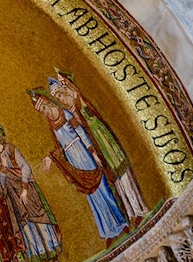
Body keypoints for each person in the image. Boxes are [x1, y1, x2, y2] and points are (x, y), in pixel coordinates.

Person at [30, 90, 128, 243]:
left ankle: (121, 223)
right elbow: (59, 147)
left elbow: (82, 134)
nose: (44, 112)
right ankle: (108, 232)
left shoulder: (65, 114)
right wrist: (50, 158)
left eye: (44, 108)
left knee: (102, 187)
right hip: (73, 159)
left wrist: (93, 153)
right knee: (91, 196)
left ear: (48, 103)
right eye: (41, 111)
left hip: (84, 153)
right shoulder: (52, 125)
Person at [49, 72, 148, 221]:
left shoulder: (79, 103)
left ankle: (138, 208)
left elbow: (89, 119)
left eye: (61, 95)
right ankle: (130, 212)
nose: (61, 99)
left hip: (101, 138)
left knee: (121, 170)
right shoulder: (70, 112)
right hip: (96, 145)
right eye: (58, 98)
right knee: (113, 175)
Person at [0, 127, 66, 262]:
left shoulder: (10, 149)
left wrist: (24, 189)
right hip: (13, 200)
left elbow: (25, 167)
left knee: (42, 223)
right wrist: (3, 167)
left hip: (27, 192)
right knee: (27, 230)